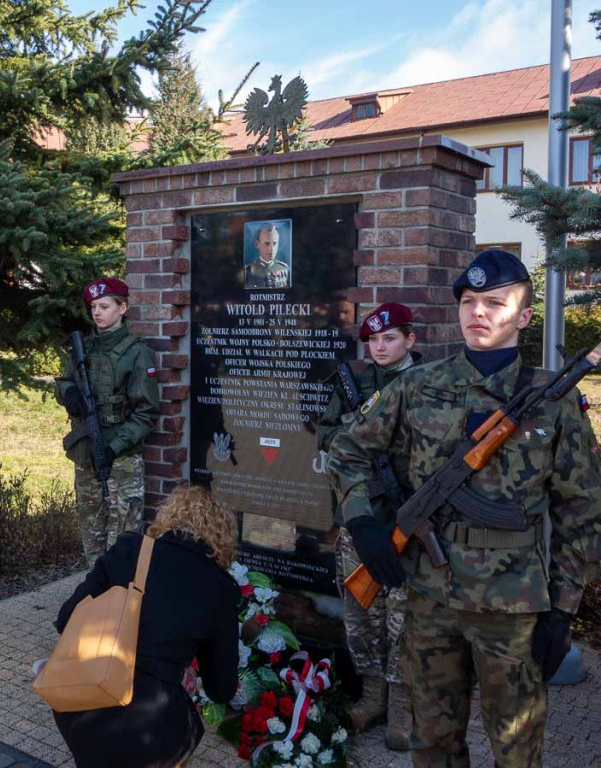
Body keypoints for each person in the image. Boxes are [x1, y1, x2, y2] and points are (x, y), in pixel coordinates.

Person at [327, 249, 601, 768]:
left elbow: (581, 511)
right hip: (429, 598)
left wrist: (562, 612)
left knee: (516, 748)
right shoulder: (416, 385)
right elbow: (347, 450)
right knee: (430, 742)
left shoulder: (551, 398)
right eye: (470, 301)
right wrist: (362, 520)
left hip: (514, 606)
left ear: (522, 316)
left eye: (495, 302)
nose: (478, 312)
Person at [51, 485, 240, 768]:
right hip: (152, 732)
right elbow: (220, 690)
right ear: (222, 538)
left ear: (169, 517)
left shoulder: (129, 549)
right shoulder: (221, 588)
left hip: (80, 706)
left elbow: (66, 618)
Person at [317, 302, 421, 749]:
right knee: (361, 613)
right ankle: (372, 697)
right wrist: (352, 427)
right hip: (358, 521)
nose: (380, 347)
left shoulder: (425, 385)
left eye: (390, 338)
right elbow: (324, 434)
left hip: (406, 523)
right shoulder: (355, 384)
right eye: (374, 341)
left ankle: (401, 706)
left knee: (403, 617)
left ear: (410, 340)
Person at [55, 277, 160, 565]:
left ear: (123, 308)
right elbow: (62, 382)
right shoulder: (83, 348)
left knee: (124, 536)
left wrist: (115, 446)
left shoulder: (138, 353)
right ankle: (93, 590)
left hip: (122, 458)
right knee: (92, 530)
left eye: (104, 306)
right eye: (93, 307)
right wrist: (70, 392)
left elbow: (146, 412)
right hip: (86, 451)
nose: (97, 312)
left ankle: (120, 600)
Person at [244, 224, 290, 289]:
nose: (272, 249)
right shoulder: (247, 271)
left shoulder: (284, 269)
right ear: (257, 244)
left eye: (274, 243)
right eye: (267, 244)